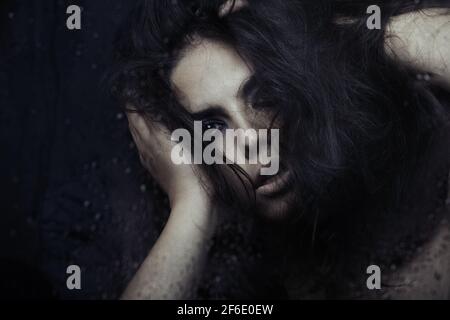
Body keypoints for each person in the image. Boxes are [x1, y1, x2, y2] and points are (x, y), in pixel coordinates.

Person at [110, 0, 450, 299]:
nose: (252, 139)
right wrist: (191, 204)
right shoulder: (236, 278)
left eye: (265, 95)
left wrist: (334, 28)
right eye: (213, 126)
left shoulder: (425, 179)